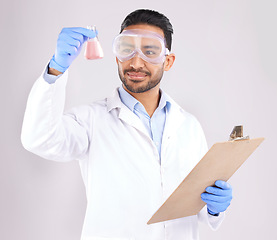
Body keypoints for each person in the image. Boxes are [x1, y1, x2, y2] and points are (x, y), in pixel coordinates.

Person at [21, 9, 233, 240]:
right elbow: (39, 139)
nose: (136, 62)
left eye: (150, 51)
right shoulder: (91, 120)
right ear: (116, 57)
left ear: (168, 61)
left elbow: (196, 206)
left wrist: (214, 208)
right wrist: (56, 69)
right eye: (126, 50)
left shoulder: (189, 127)